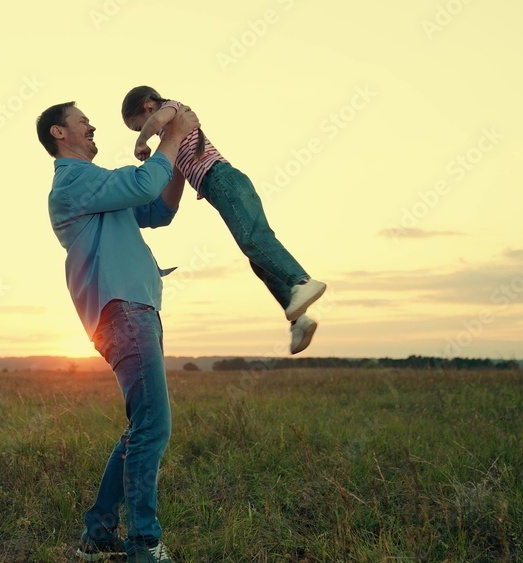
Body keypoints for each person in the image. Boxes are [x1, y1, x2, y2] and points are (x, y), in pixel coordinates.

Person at [36, 100, 198, 563]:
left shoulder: (100, 185)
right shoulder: (74, 181)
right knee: (153, 426)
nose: (90, 126)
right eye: (81, 121)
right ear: (59, 133)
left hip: (135, 309)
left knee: (140, 426)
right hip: (123, 310)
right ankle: (144, 545)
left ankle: (99, 537)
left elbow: (157, 209)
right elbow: (144, 179)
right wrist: (173, 135)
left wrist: (180, 161)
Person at [122, 86, 327, 354]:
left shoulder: (171, 109)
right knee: (258, 260)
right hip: (219, 186)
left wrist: (141, 142)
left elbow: (156, 122)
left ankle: (300, 281)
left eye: (138, 126)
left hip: (222, 179)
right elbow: (174, 170)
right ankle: (299, 319)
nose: (144, 131)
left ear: (149, 105)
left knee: (253, 240)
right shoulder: (174, 130)